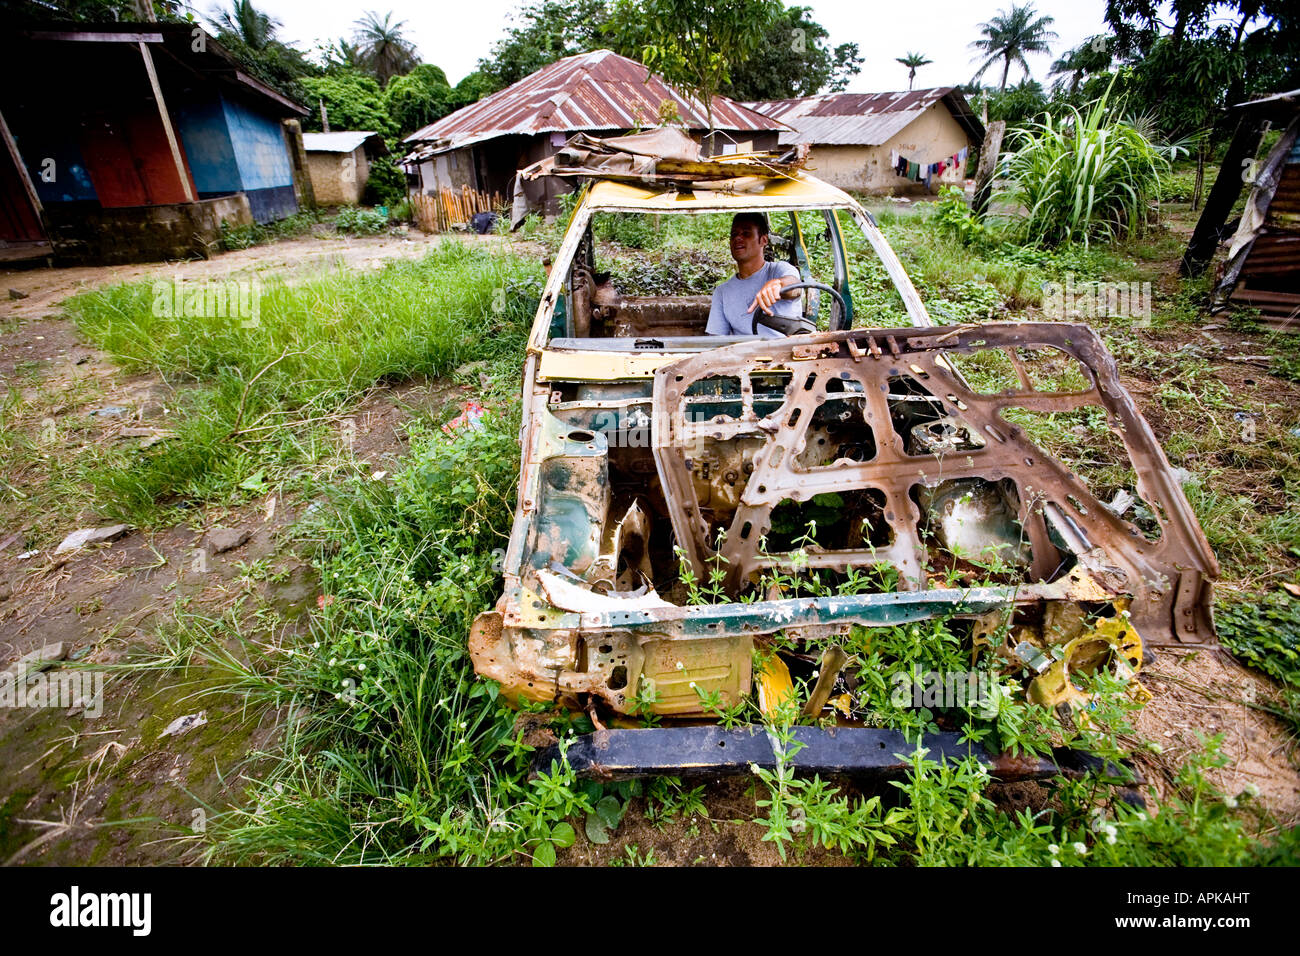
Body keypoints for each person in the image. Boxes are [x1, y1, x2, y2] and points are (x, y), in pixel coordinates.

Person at [706, 212, 802, 338]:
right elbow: (716, 340)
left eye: (746, 233)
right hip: (742, 355)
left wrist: (779, 285)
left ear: (763, 240)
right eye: (734, 234)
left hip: (785, 352)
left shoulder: (780, 270)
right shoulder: (722, 292)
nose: (738, 238)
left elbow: (795, 288)